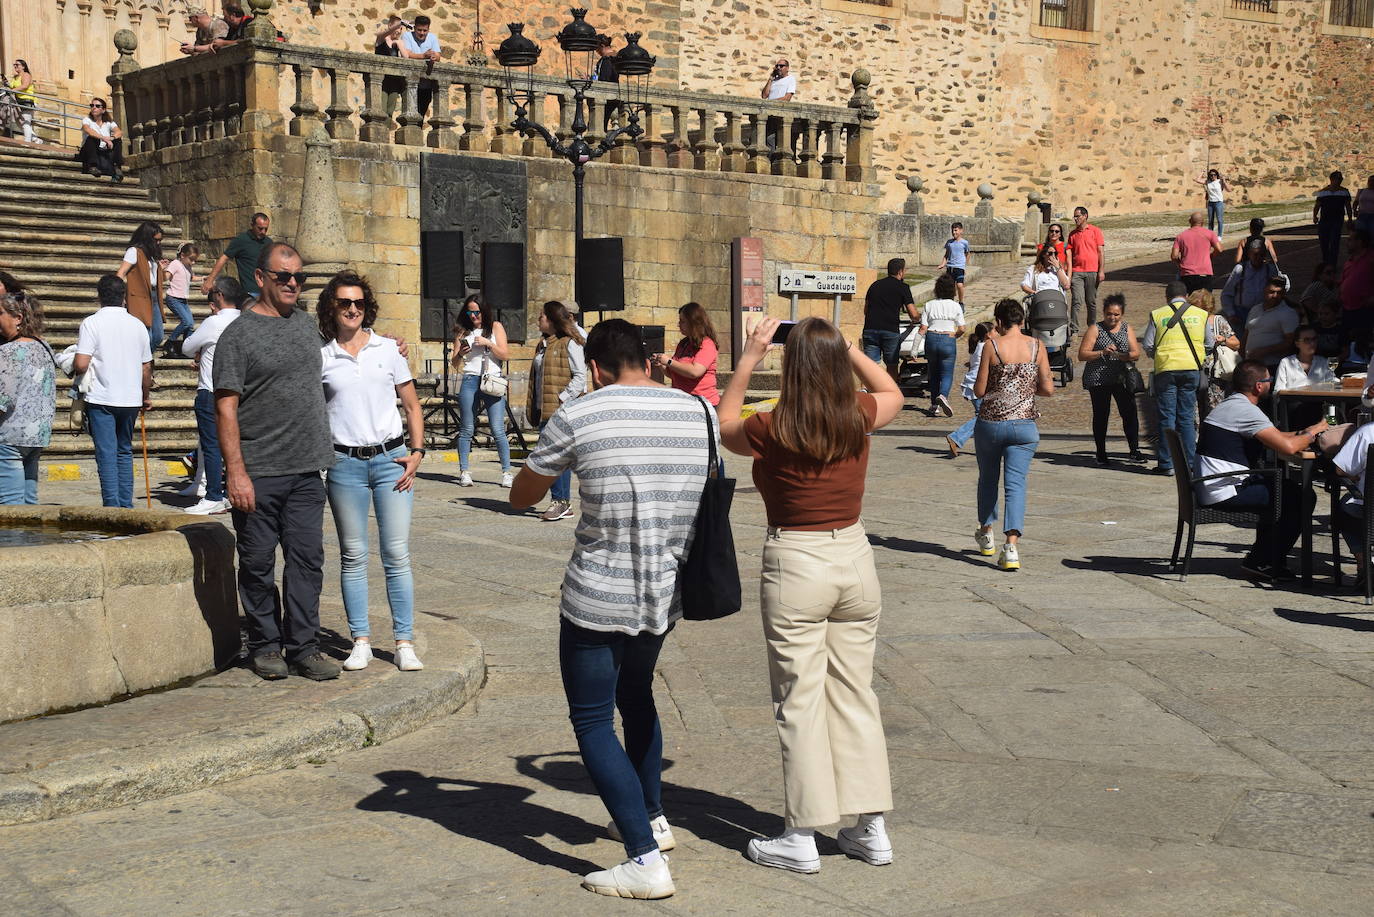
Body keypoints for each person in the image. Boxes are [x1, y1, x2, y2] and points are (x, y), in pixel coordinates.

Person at [508, 318, 714, 901]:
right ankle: (652, 817)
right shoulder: (694, 414)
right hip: (663, 592)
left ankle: (644, 859)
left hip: (598, 594)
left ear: (594, 369)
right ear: (648, 363)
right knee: (639, 698)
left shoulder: (582, 413)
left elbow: (524, 493)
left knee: (594, 721)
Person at [716, 314, 902, 875]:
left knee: (799, 698)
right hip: (854, 557)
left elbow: (723, 422)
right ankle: (871, 827)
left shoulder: (770, 427)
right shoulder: (859, 416)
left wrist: (749, 356)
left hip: (797, 560)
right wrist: (848, 348)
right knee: (855, 693)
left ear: (792, 366)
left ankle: (801, 833)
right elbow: (889, 387)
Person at [214, 242, 340, 682]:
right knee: (258, 563)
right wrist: (236, 473)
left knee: (307, 561)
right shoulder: (238, 335)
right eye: (283, 276)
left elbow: (350, 342)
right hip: (259, 472)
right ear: (260, 279)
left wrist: (390, 343)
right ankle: (265, 645)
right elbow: (225, 408)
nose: (292, 283)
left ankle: (303, 646)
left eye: (299, 277)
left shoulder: (308, 326)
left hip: (307, 471)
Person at [317, 272, 426, 674]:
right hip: (344, 465)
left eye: (359, 303)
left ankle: (404, 642)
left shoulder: (388, 350)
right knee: (353, 555)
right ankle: (360, 640)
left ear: (368, 308)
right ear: (332, 306)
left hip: (390, 461)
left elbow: (412, 406)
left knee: (396, 554)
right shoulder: (323, 356)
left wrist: (417, 452)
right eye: (345, 303)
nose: (352, 309)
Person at [1196, 360, 1324, 579]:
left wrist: (1306, 431)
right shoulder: (1246, 411)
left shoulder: (1233, 404)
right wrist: (1318, 430)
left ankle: (1263, 557)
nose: (1271, 384)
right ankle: (1263, 561)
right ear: (1258, 386)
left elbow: (1275, 436)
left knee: (1285, 489)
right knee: (1301, 496)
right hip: (1226, 490)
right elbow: (1289, 446)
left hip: (1215, 484)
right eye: (1269, 380)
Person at [972, 299, 1053, 570]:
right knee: (1015, 485)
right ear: (1022, 320)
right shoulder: (1037, 346)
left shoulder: (991, 347)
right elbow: (1048, 388)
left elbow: (979, 390)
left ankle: (986, 533)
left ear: (998, 321)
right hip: (1024, 426)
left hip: (991, 423)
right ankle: (1012, 548)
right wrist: (1025, 392)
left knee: (988, 479)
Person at [73, 275, 152, 508]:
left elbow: (81, 364)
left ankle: (111, 506)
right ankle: (125, 505)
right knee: (124, 451)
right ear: (124, 297)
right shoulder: (137, 325)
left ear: (99, 297)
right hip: (130, 398)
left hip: (102, 397)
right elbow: (146, 367)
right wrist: (145, 395)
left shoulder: (92, 323)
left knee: (107, 453)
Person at [178, 277, 243, 514]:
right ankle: (225, 492)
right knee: (233, 445)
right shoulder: (245, 322)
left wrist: (201, 352)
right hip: (238, 392)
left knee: (212, 444)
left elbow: (187, 347)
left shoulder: (214, 322)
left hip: (211, 390)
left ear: (219, 295)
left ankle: (214, 494)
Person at [1143, 280, 1211, 476]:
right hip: (1191, 368)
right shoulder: (1200, 315)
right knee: (1187, 418)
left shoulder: (1158, 314)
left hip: (1166, 369)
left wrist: (1161, 355)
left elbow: (1148, 345)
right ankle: (1190, 462)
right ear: (1186, 295)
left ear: (1167, 297)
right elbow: (1209, 343)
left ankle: (1166, 464)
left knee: (1166, 417)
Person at [526, 301, 585, 521]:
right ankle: (560, 502)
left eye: (541, 316)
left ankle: (561, 502)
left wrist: (562, 398)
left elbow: (580, 377)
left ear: (551, 320)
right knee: (552, 457)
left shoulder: (569, 343)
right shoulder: (542, 344)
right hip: (545, 409)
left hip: (560, 410)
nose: (538, 320)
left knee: (555, 458)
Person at [451, 294, 513, 489]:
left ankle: (506, 472)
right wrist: (460, 353)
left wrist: (488, 344)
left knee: (498, 429)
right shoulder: (462, 331)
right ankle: (465, 471)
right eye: (469, 312)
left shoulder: (495, 327)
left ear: (484, 311)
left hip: (492, 379)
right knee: (467, 428)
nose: (473, 316)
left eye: (476, 312)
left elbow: (505, 354)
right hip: (470, 380)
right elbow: (454, 363)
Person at [0, 292, 55, 504]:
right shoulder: (44, 346)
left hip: (10, 436)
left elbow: (3, 399)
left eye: (1, 313)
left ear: (18, 318)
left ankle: (13, 539)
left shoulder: (8, 351)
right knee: (30, 502)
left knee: (10, 504)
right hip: (36, 434)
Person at [1077, 292, 1144, 467]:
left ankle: (1134, 450)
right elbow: (1082, 354)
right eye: (1109, 314)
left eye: (1116, 314)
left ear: (1122, 314)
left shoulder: (1126, 328)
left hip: (1121, 378)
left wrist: (1125, 355)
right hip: (1098, 378)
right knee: (1101, 415)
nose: (1112, 317)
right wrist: (1102, 352)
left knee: (1129, 413)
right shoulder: (1095, 329)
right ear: (1104, 312)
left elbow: (1136, 352)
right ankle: (1101, 452)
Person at [114, 221, 167, 366]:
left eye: (159, 240)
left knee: (158, 336)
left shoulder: (152, 255)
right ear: (147, 238)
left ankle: (141, 365)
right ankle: (145, 370)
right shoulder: (134, 252)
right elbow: (121, 272)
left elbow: (154, 277)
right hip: (139, 298)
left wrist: (160, 268)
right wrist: (119, 295)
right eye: (155, 240)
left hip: (154, 297)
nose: (158, 243)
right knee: (146, 337)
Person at [860, 258, 918, 383]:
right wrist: (919, 318)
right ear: (900, 272)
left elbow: (866, 310)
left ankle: (871, 392)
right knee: (892, 365)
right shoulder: (903, 287)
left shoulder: (874, 285)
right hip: (890, 330)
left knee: (871, 366)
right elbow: (913, 314)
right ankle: (891, 392)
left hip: (870, 329)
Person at [653, 301, 720, 405]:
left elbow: (695, 371)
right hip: (682, 401)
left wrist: (669, 361)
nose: (678, 325)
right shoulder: (683, 344)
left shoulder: (707, 344)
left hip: (702, 403)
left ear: (693, 322)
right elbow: (674, 374)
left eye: (682, 321)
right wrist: (662, 364)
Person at [919, 273, 966, 417]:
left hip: (932, 338)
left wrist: (915, 348)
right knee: (947, 374)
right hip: (948, 339)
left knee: (933, 374)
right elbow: (962, 328)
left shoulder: (929, 305)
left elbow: (923, 327)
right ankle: (943, 396)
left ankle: (934, 405)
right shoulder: (956, 306)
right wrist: (955, 336)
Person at [946, 321, 992, 458]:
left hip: (973, 385)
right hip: (977, 386)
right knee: (983, 418)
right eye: (995, 331)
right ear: (989, 335)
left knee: (985, 418)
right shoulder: (986, 347)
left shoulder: (980, 345)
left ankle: (986, 448)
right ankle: (956, 438)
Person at [1274, 326, 1336, 427]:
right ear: (1297, 343)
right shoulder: (1286, 362)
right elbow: (1278, 391)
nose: (1312, 343)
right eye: (1307, 340)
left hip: (1319, 406)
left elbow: (1332, 384)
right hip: (1294, 409)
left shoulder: (1323, 362)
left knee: (1331, 409)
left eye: (1314, 339)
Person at [1194, 288, 1241, 418]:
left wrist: (1223, 340)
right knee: (1195, 411)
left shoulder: (1218, 321)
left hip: (1216, 375)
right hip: (1195, 370)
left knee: (1215, 410)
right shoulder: (1189, 321)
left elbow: (1236, 343)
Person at [202, 212, 271, 299]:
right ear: (252, 225)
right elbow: (224, 258)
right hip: (250, 292)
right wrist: (210, 280)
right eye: (260, 228)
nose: (263, 232)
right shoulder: (241, 240)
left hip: (267, 292)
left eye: (266, 229)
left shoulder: (269, 243)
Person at [1221, 238, 1285, 328]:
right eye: (1255, 254)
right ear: (1249, 254)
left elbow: (1284, 287)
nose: (1258, 258)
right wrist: (1231, 314)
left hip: (1263, 314)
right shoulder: (1240, 270)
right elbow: (1226, 294)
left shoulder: (1270, 270)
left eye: (1261, 255)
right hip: (1241, 315)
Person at [1241, 275, 1299, 371]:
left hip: (1273, 366)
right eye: (1271, 292)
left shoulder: (1288, 313)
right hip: (1250, 365)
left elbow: (1291, 342)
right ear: (1264, 290)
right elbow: (1246, 335)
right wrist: (1242, 358)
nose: (1275, 296)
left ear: (1284, 293)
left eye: (1279, 292)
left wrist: (1264, 351)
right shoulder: (1255, 309)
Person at [1066, 206, 1106, 337]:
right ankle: (1074, 329)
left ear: (1085, 216)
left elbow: (1100, 252)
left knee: (1091, 301)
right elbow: (1069, 255)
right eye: (1075, 216)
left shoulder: (1095, 231)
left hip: (1092, 271)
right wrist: (1069, 274)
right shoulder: (1072, 234)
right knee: (1076, 300)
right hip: (1077, 272)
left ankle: (1092, 327)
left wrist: (1101, 271)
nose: (1075, 219)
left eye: (1077, 216)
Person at [399, 14, 440, 118]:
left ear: (428, 29)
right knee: (409, 115)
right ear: (415, 28)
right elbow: (407, 54)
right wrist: (423, 56)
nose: (422, 33)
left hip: (426, 84)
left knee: (421, 115)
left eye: (425, 31)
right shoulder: (407, 36)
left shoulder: (433, 38)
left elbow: (438, 55)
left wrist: (434, 57)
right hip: (410, 82)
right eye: (419, 30)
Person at [162, 242, 199, 357]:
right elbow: (166, 277)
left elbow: (192, 277)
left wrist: (204, 278)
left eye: (194, 260)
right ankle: (170, 342)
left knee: (191, 324)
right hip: (173, 298)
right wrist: (163, 269)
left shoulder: (188, 266)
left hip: (183, 300)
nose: (193, 262)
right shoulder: (176, 264)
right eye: (191, 259)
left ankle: (187, 348)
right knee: (186, 322)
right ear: (182, 255)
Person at [1171, 211, 1223, 293]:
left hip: (1187, 274)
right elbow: (1219, 249)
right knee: (1205, 302)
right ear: (1203, 222)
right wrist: (1212, 256)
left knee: (1189, 302)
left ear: (1190, 221)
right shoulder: (1210, 234)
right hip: (1204, 273)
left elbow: (1174, 256)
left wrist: (1180, 264)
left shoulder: (1181, 236)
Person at [74, 98, 122, 181]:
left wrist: (111, 138)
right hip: (88, 152)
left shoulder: (109, 122)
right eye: (92, 105)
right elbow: (88, 130)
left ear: (103, 110)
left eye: (97, 106)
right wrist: (104, 138)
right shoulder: (87, 120)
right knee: (92, 138)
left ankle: (117, 166)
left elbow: (119, 132)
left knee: (118, 141)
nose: (94, 107)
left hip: (103, 151)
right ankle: (93, 166)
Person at [1314, 170, 1354, 267]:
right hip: (1324, 220)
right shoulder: (1323, 192)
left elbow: (1348, 206)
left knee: (1335, 242)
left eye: (1340, 179)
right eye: (1338, 179)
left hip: (1337, 220)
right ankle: (1326, 261)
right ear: (1332, 179)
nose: (1339, 181)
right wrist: (1314, 216)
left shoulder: (1344, 192)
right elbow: (1317, 206)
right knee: (1324, 242)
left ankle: (1332, 264)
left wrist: (1350, 218)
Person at [374, 16, 408, 119]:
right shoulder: (381, 39)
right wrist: (400, 23)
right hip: (381, 81)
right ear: (390, 26)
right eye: (397, 27)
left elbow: (406, 57)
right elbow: (384, 33)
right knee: (381, 110)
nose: (398, 31)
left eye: (401, 29)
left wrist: (399, 44)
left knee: (389, 111)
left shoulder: (398, 42)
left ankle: (386, 133)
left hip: (394, 82)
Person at [1341, 229, 1374, 333]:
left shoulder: (1371, 259)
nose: (1347, 243)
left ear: (1359, 242)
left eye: (1350, 240)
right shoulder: (1349, 261)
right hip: (1347, 308)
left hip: (1364, 309)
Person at [593, 34, 620, 130]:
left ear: (602, 46)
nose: (596, 50)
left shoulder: (608, 59)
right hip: (610, 97)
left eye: (597, 47)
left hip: (607, 97)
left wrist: (594, 81)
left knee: (597, 125)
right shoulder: (611, 58)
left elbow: (605, 79)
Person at [938, 222, 970, 303]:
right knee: (950, 286)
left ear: (961, 231)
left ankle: (961, 302)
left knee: (959, 285)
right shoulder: (949, 242)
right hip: (950, 267)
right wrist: (943, 264)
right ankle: (950, 301)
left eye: (956, 230)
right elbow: (946, 255)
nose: (954, 232)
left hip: (959, 268)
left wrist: (964, 265)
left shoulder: (964, 243)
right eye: (952, 231)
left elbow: (967, 254)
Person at [7, 59, 38, 144]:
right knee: (19, 122)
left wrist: (12, 90)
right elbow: (11, 87)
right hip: (18, 102)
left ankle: (27, 143)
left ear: (23, 66)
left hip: (27, 100)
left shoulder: (26, 75)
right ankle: (36, 139)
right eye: (14, 65)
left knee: (25, 122)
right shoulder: (15, 77)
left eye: (17, 64)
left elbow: (25, 86)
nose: (15, 66)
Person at [1194, 169, 1230, 237]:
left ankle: (1219, 236)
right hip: (1210, 203)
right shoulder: (1208, 182)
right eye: (1211, 175)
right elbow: (1197, 180)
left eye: (1214, 174)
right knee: (1210, 221)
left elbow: (1229, 190)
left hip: (1219, 203)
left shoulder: (1220, 181)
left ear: (1217, 175)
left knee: (1219, 220)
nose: (1213, 176)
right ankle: (1210, 235)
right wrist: (1202, 172)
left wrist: (1224, 181)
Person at [1357, 175, 1374, 239]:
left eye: (1373, 181)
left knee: (1372, 235)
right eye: (1370, 181)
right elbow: (1356, 201)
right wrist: (1355, 210)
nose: (1371, 182)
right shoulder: (1361, 191)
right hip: (1362, 216)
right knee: (1360, 236)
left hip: (1373, 216)